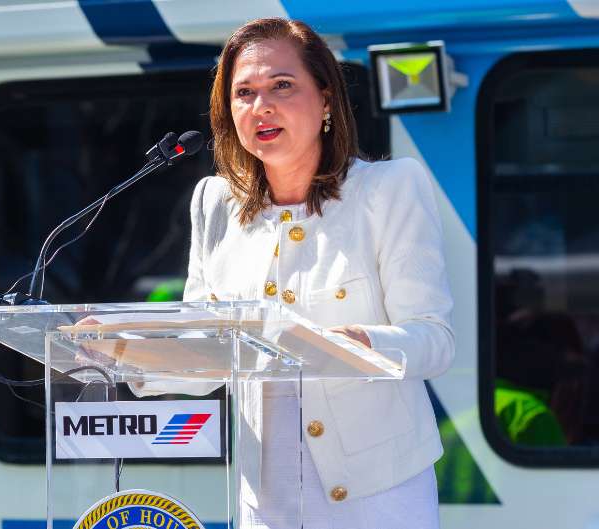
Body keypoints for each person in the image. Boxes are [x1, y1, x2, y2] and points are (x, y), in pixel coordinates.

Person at [186, 18, 454, 528]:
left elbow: (434, 341)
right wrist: (125, 352)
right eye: (243, 93)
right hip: (265, 501)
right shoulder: (213, 202)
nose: (260, 106)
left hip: (376, 497)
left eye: (281, 86)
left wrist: (363, 344)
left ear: (326, 100)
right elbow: (205, 352)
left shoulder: (388, 190)